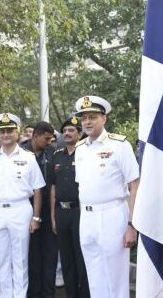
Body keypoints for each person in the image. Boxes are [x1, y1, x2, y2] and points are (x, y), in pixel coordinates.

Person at [73, 95, 139, 298]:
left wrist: (131, 225)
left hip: (113, 214)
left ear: (104, 119)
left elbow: (134, 186)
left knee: (116, 277)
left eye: (92, 117)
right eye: (84, 118)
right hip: (87, 216)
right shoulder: (80, 148)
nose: (87, 122)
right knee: (94, 274)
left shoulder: (120, 145)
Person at [0, 113, 46, 297]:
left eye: (10, 130)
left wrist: (36, 217)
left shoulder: (28, 157)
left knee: (20, 259)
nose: (6, 134)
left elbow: (38, 190)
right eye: (2, 131)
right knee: (1, 260)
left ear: (17, 132)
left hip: (20, 210)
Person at [50, 117, 90, 298]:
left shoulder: (86, 154)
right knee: (66, 259)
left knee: (82, 258)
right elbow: (53, 187)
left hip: (79, 213)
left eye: (71, 130)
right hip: (61, 212)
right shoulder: (57, 155)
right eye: (65, 130)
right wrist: (53, 217)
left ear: (80, 134)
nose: (67, 133)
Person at [21, 121, 58, 298]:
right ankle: (34, 292)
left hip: (48, 209)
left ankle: (48, 292)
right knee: (32, 255)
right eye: (46, 138)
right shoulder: (21, 152)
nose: (49, 142)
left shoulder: (52, 152)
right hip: (27, 210)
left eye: (51, 139)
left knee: (50, 254)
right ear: (35, 136)